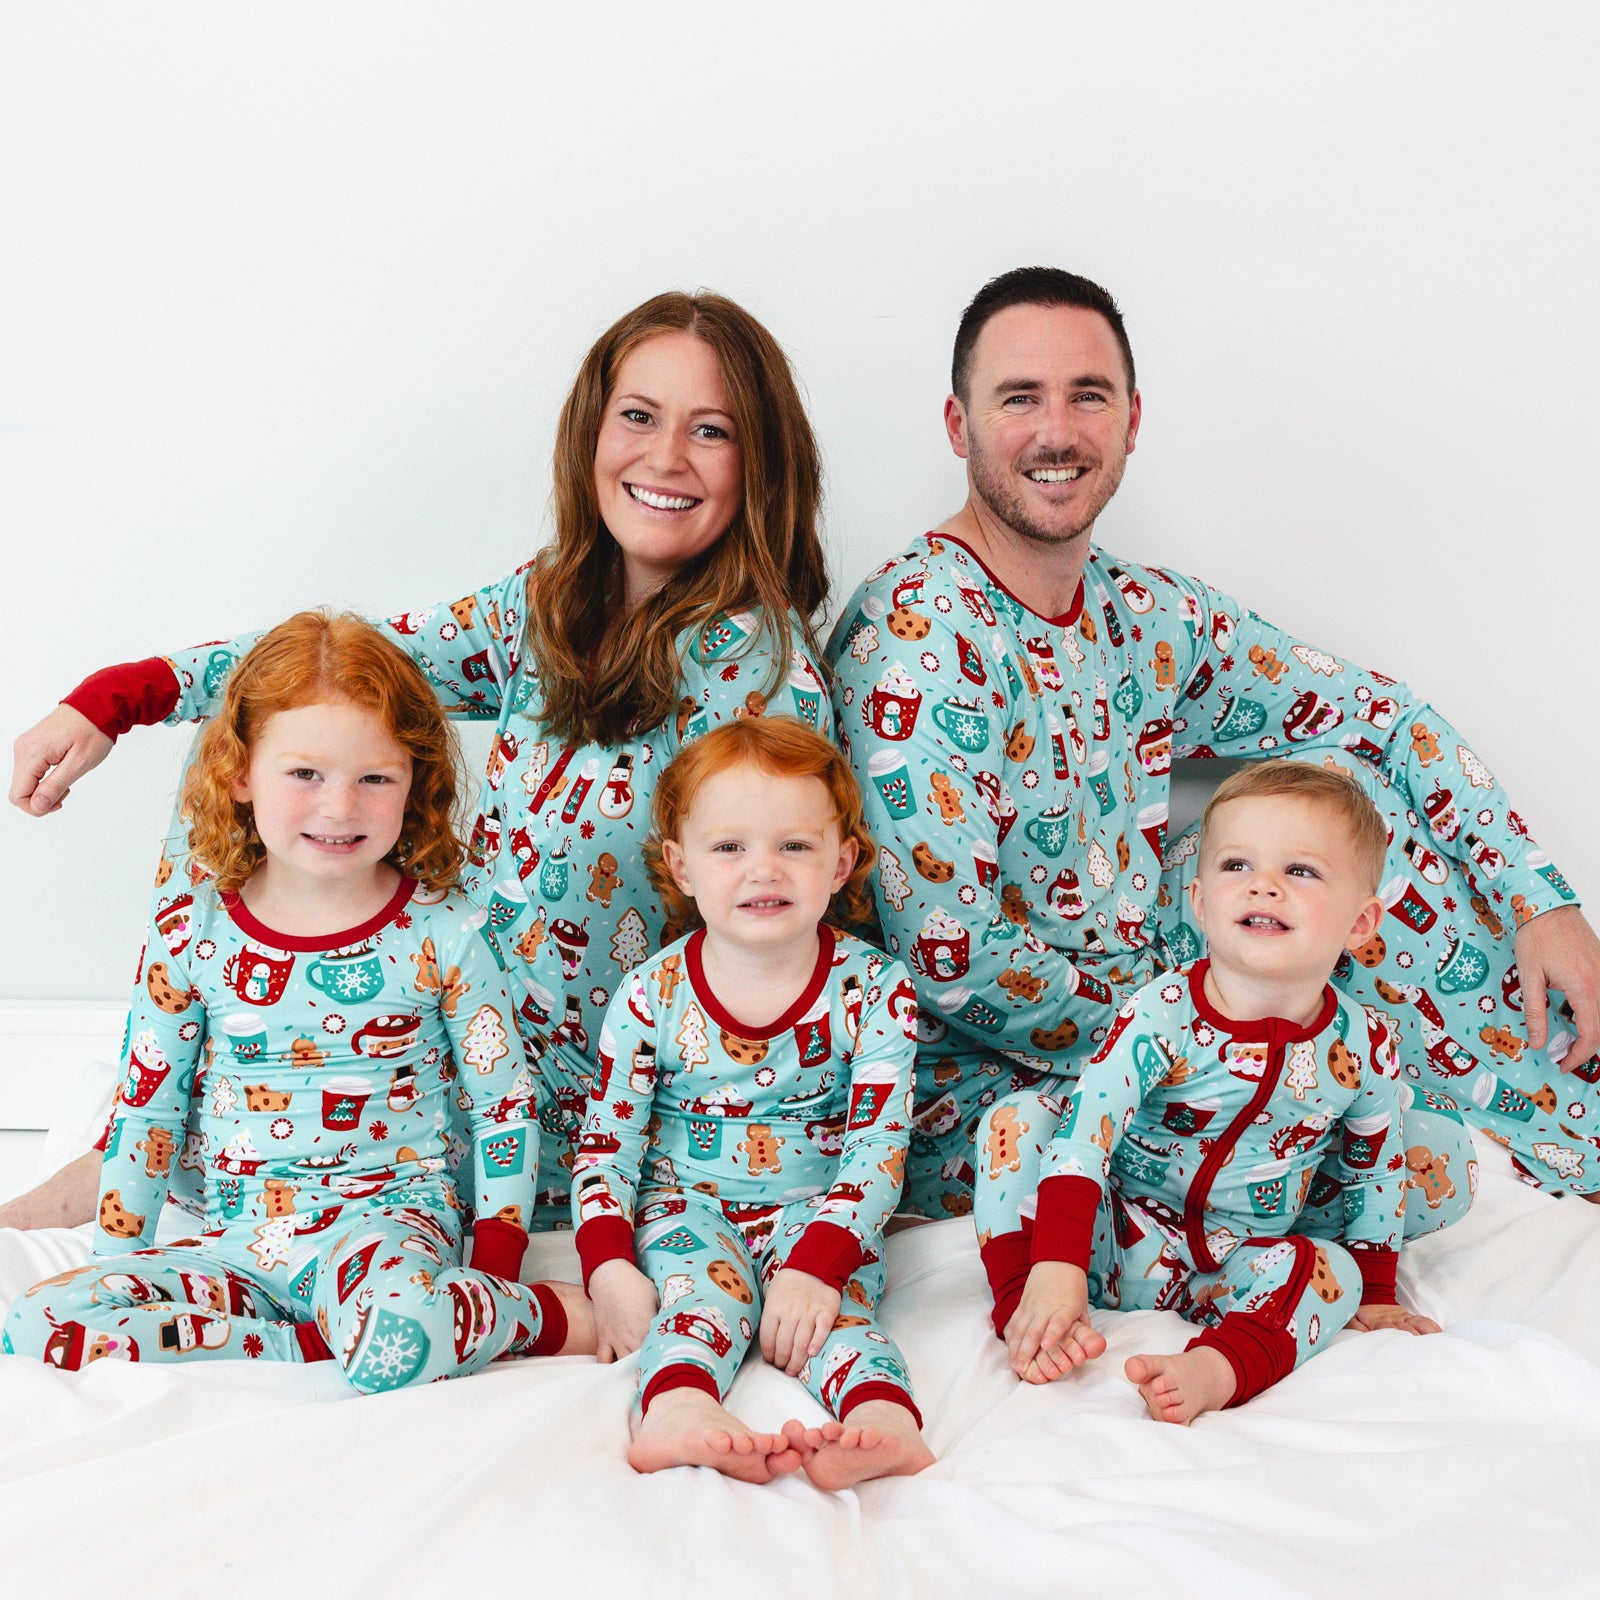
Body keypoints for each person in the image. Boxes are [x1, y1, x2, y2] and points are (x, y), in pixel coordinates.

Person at [4, 291, 833, 1234]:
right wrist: (124, 695)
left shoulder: (760, 680)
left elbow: (781, 927)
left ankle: (175, 1143)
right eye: (638, 416)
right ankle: (146, 1120)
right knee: (269, 742)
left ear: (758, 464)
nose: (665, 457)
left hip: (563, 1085)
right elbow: (343, 664)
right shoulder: (556, 603)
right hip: (454, 1000)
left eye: (712, 430)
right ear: (592, 433)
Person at [828, 265, 1600, 1223]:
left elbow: (1379, 715)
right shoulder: (912, 635)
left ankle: (1574, 1131)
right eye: (1019, 399)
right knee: (1413, 1168)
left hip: (1174, 994)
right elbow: (952, 954)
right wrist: (1204, 1036)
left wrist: (1540, 896)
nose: (1057, 432)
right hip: (1005, 1077)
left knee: (1337, 801)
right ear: (959, 426)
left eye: (1088, 397)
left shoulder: (1145, 612)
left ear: (1132, 421)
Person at [3, 612, 594, 1384]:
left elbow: (503, 1112)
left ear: (415, 780)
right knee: (37, 1321)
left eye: (374, 778)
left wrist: (497, 1275)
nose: (340, 807)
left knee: (405, 1329)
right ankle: (311, 1350)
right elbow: (147, 1116)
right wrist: (123, 1272)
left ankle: (534, 1318)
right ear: (242, 773)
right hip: (235, 1249)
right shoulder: (192, 933)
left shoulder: (447, 931)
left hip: (385, 1240)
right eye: (305, 774)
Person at [977, 762, 1442, 1425]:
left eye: (1300, 871)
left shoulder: (1364, 1044)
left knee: (1327, 1268)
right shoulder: (1163, 1011)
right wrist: (1058, 1265)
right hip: (1115, 1237)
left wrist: (1373, 1294)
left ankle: (1216, 1368)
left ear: (1361, 923)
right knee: (1019, 1121)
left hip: (1238, 1264)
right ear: (1199, 902)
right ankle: (1033, 1312)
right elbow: (1086, 1133)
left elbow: (1376, 1172)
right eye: (1236, 866)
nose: (1263, 885)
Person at [572, 718, 933, 1488]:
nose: (762, 869)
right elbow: (607, 1145)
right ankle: (677, 1412)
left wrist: (820, 1265)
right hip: (687, 1207)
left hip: (824, 1210)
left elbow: (877, 1151)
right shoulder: (652, 994)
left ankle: (884, 1422)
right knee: (699, 1304)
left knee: (840, 1322)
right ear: (683, 866)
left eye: (794, 846)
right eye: (730, 847)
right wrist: (606, 1265)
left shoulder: (875, 991)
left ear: (840, 864)